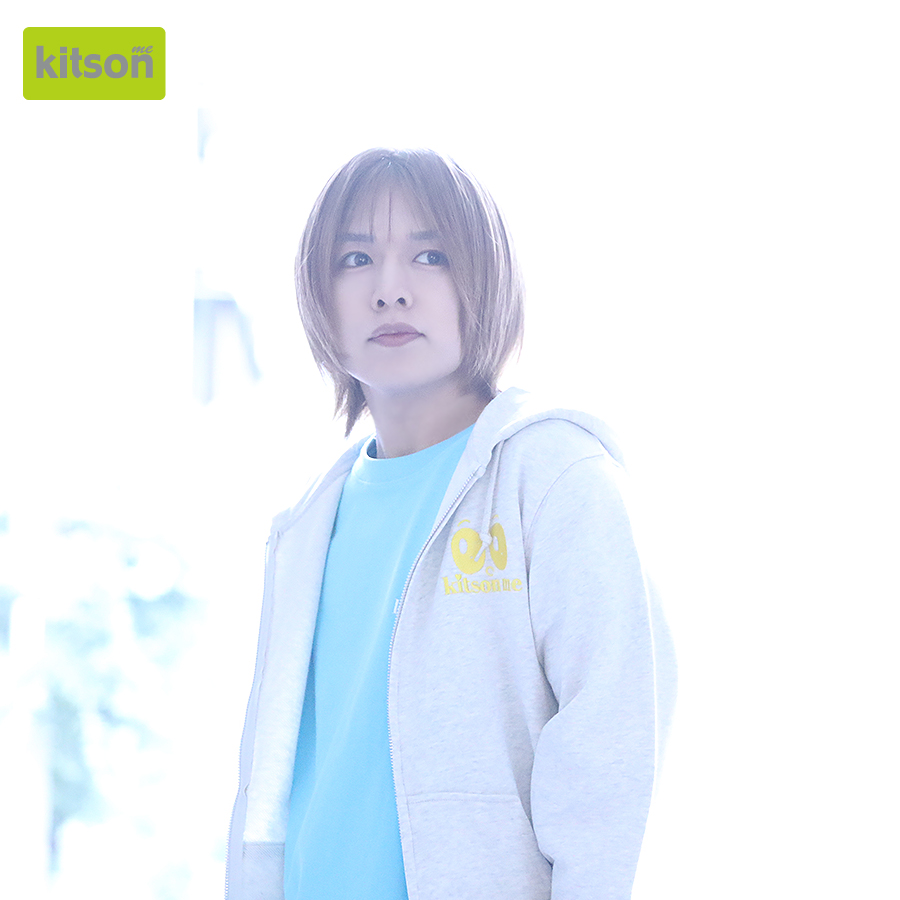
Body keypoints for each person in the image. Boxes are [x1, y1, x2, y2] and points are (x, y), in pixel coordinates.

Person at [225, 148, 676, 900]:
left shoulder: (554, 476)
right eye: (355, 259)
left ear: (485, 280)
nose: (390, 289)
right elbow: (275, 797)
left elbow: (615, 760)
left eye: (430, 255)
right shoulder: (303, 527)